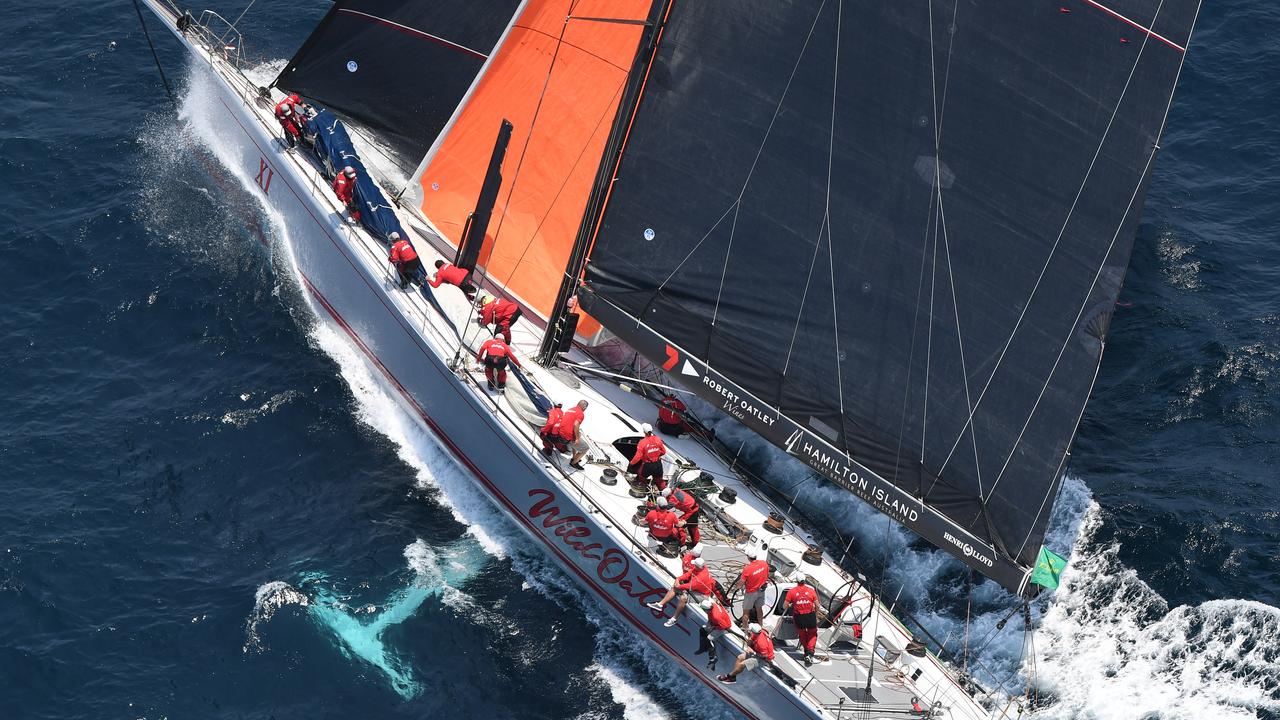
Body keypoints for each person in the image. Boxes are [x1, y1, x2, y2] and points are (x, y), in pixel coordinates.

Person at [646, 556, 713, 627]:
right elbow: (689, 574)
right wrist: (678, 579)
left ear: (698, 566)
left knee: (683, 598)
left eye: (695, 565)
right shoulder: (701, 567)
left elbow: (691, 585)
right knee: (674, 588)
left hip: (702, 595)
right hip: (695, 589)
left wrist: (679, 586)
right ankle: (660, 605)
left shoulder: (701, 577)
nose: (693, 566)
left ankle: (674, 618)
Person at [783, 573, 819, 666]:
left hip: (799, 617)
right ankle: (810, 653)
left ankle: (807, 652)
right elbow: (817, 605)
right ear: (805, 580)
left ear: (796, 581)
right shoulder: (811, 590)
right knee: (812, 634)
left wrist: (791, 605)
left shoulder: (792, 592)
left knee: (802, 635)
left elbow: (784, 606)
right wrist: (816, 615)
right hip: (810, 616)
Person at [695, 596, 733, 670]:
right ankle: (702, 648)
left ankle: (713, 657)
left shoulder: (716, 617)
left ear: (707, 610)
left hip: (723, 627)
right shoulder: (712, 605)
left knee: (709, 638)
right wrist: (710, 624)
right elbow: (710, 616)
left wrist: (714, 627)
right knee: (702, 630)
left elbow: (724, 626)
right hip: (714, 622)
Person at [738, 547, 771, 628]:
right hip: (761, 591)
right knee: (759, 609)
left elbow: (741, 582)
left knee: (746, 612)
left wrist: (737, 588)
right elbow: (767, 575)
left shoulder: (747, 569)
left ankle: (745, 629)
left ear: (748, 557)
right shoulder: (764, 563)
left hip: (751, 593)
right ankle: (760, 626)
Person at [629, 423, 667, 490]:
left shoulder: (642, 442)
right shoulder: (657, 439)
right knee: (659, 480)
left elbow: (638, 457)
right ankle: (666, 493)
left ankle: (642, 491)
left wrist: (631, 463)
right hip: (658, 464)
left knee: (640, 478)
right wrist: (656, 455)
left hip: (647, 466)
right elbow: (663, 452)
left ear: (644, 431)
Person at [554, 399, 589, 470]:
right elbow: (576, 425)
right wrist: (577, 439)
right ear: (584, 408)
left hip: (560, 433)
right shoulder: (581, 413)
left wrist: (577, 436)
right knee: (585, 448)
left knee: (578, 434)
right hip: (567, 437)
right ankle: (574, 463)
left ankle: (574, 457)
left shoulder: (570, 409)